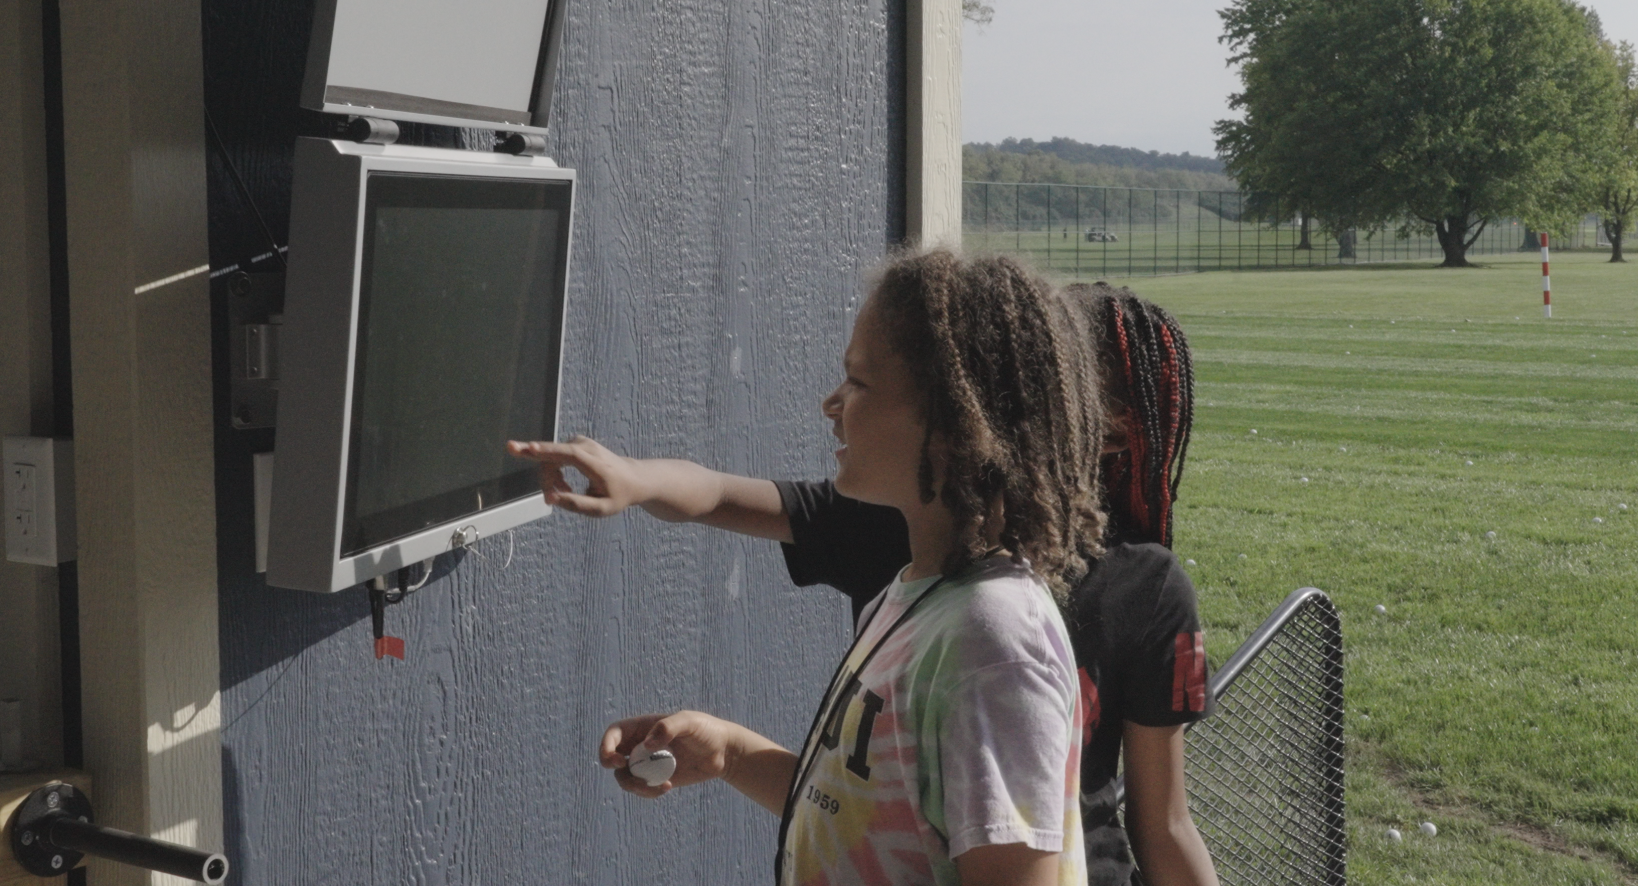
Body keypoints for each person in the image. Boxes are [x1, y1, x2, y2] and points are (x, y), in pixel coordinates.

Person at [514, 281, 1217, 886]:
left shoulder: (1002, 635)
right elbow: (877, 806)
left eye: (859, 381)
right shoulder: (911, 568)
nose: (830, 403)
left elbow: (1163, 825)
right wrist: (731, 751)